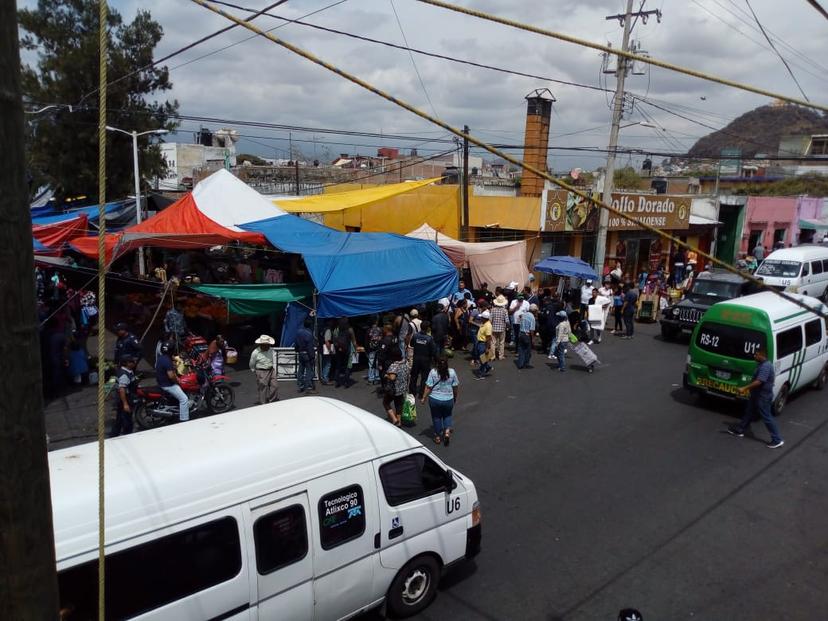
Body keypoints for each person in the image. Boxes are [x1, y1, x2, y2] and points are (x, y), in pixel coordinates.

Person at [727, 345, 784, 448]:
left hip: (763, 396)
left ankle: (777, 439)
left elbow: (759, 381)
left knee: (766, 417)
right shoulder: (761, 364)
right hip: (756, 395)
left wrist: (744, 388)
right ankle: (740, 429)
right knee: (749, 412)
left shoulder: (765, 366)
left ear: (762, 355)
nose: (754, 355)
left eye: (756, 354)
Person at [421, 356, 459, 446]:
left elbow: (428, 386)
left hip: (434, 400)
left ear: (437, 363)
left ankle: (437, 437)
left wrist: (423, 397)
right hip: (448, 399)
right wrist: (455, 397)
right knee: (447, 415)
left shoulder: (433, 372)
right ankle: (446, 432)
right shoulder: (452, 372)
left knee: (436, 417)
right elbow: (455, 387)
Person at [156, 341, 190, 422]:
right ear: (171, 350)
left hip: (161, 382)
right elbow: (171, 376)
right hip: (168, 385)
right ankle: (184, 419)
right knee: (184, 399)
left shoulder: (161, 358)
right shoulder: (167, 360)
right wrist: (178, 381)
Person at [110, 355, 138, 437]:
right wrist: (125, 404)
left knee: (120, 420)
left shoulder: (128, 371)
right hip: (125, 401)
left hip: (127, 399)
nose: (134, 363)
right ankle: (125, 436)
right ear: (126, 363)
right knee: (126, 421)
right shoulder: (124, 375)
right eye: (131, 362)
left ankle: (114, 435)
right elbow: (122, 390)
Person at [410, 320, 437, 398]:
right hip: (425, 360)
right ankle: (421, 393)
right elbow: (433, 351)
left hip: (416, 358)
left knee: (414, 376)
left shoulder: (415, 336)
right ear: (428, 328)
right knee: (424, 377)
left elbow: (411, 344)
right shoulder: (429, 338)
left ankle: (412, 392)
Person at [249, 334, 279, 404]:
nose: (268, 346)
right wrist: (254, 370)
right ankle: (263, 403)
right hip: (261, 371)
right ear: (261, 345)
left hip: (271, 370)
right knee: (262, 387)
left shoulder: (271, 350)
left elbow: (275, 360)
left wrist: (275, 370)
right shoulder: (255, 352)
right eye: (266, 345)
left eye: (268, 345)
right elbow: (252, 362)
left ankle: (273, 400)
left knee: (275, 386)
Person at [383, 348, 409, 426]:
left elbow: (392, 377)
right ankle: (399, 421)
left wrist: (386, 375)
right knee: (398, 405)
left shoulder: (394, 365)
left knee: (386, 402)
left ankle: (394, 420)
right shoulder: (405, 362)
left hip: (394, 389)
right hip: (402, 388)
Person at [333, 318, 357, 388]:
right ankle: (346, 382)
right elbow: (354, 341)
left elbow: (334, 340)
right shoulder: (350, 329)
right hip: (347, 349)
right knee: (348, 365)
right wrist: (355, 349)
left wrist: (338, 347)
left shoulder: (336, 329)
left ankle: (337, 381)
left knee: (338, 365)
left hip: (338, 350)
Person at [294, 318, 316, 393]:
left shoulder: (298, 332)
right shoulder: (309, 334)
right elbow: (310, 347)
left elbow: (296, 343)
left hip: (300, 353)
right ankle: (309, 387)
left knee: (301, 370)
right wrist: (312, 356)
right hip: (307, 354)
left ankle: (300, 386)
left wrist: (297, 350)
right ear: (310, 325)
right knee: (309, 371)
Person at [473, 310, 493, 379]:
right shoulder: (484, 323)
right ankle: (487, 367)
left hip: (483, 344)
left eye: (481, 317)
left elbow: (488, 338)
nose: (480, 318)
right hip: (480, 343)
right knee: (482, 358)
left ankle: (481, 374)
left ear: (484, 318)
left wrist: (487, 348)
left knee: (482, 359)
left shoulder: (488, 326)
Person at [516, 303, 537, 369]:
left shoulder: (524, 314)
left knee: (521, 349)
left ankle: (520, 364)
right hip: (527, 335)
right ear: (534, 311)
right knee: (527, 350)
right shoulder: (532, 318)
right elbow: (532, 330)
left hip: (521, 333)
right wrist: (533, 339)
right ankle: (526, 364)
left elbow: (520, 316)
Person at [490, 294, 509, 360]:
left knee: (493, 342)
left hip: (493, 328)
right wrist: (508, 326)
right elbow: (507, 320)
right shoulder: (505, 310)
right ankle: (501, 356)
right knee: (501, 342)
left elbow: (490, 319)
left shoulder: (492, 310)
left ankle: (492, 356)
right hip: (502, 328)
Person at [365, 317, 383, 384]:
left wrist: (366, 350)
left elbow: (366, 341)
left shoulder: (368, 330)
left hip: (371, 349)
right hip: (378, 348)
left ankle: (371, 378)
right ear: (376, 322)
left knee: (371, 363)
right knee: (377, 363)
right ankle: (377, 377)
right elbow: (382, 339)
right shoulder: (380, 330)